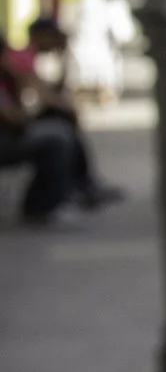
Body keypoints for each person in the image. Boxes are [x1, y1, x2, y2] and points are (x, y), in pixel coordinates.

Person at [1, 17, 122, 224]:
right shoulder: (20, 60)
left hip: (10, 130)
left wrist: (65, 59)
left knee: (61, 125)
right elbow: (18, 114)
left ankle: (79, 184)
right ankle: (45, 204)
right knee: (58, 135)